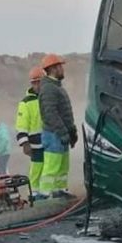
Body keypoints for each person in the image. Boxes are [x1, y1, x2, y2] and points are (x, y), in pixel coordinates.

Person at [38, 54, 77, 198]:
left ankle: (60, 191)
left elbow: (65, 113)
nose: (62, 69)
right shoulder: (49, 88)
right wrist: (63, 133)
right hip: (54, 134)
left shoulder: (56, 87)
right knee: (52, 167)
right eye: (60, 66)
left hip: (60, 134)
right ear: (53, 69)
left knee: (62, 166)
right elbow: (50, 114)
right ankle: (45, 195)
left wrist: (72, 132)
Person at [16, 67, 45, 199]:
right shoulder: (26, 103)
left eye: (40, 82)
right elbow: (21, 124)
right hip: (35, 143)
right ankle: (34, 192)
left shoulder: (47, 98)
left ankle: (47, 191)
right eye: (35, 82)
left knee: (49, 169)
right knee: (37, 168)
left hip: (49, 141)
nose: (37, 85)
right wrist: (24, 143)